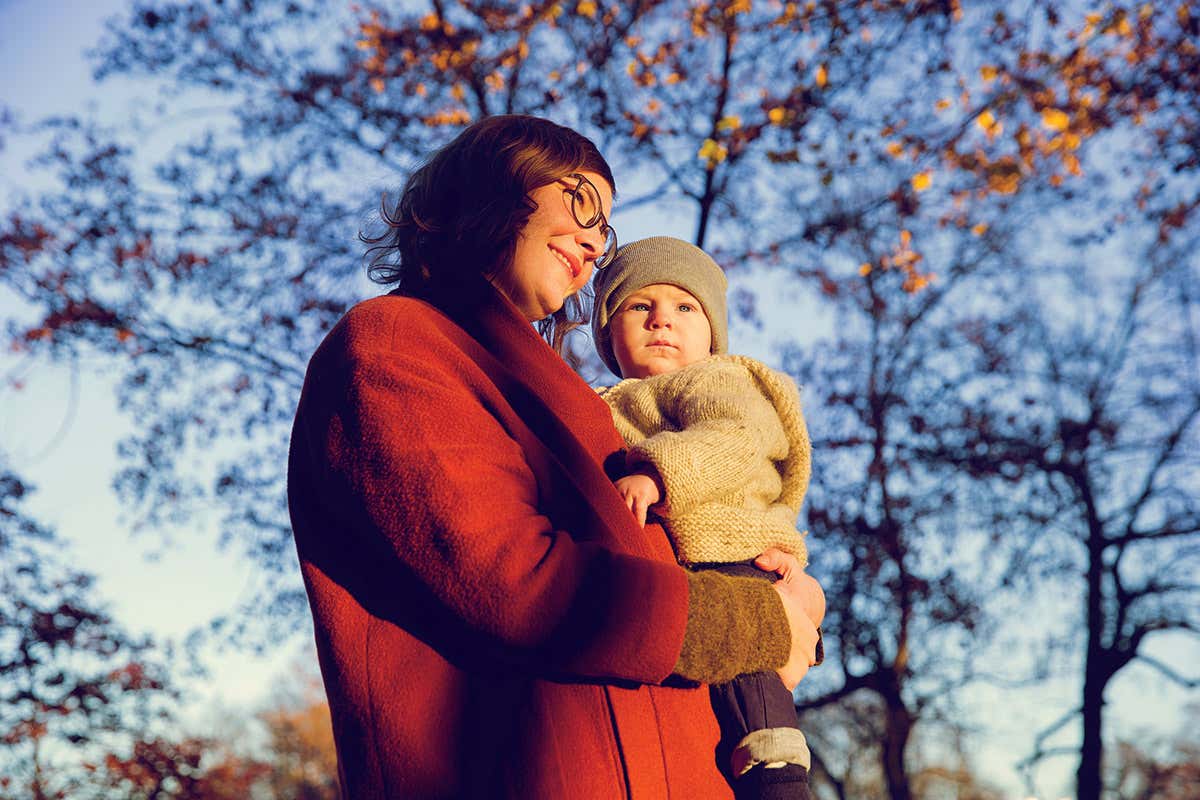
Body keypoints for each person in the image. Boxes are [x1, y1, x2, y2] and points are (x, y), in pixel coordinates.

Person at [287, 115, 824, 799]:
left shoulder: (569, 398)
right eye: (580, 200)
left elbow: (675, 555)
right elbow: (522, 584)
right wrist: (756, 620)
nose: (596, 237)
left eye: (605, 227)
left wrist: (787, 594)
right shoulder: (396, 343)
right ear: (497, 184)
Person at [591, 236, 823, 800]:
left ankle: (779, 772)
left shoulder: (718, 381)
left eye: (684, 308)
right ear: (607, 332)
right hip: (683, 573)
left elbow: (733, 441)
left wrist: (656, 474)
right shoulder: (602, 403)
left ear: (713, 330)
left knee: (749, 670)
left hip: (735, 546)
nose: (661, 321)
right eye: (639, 306)